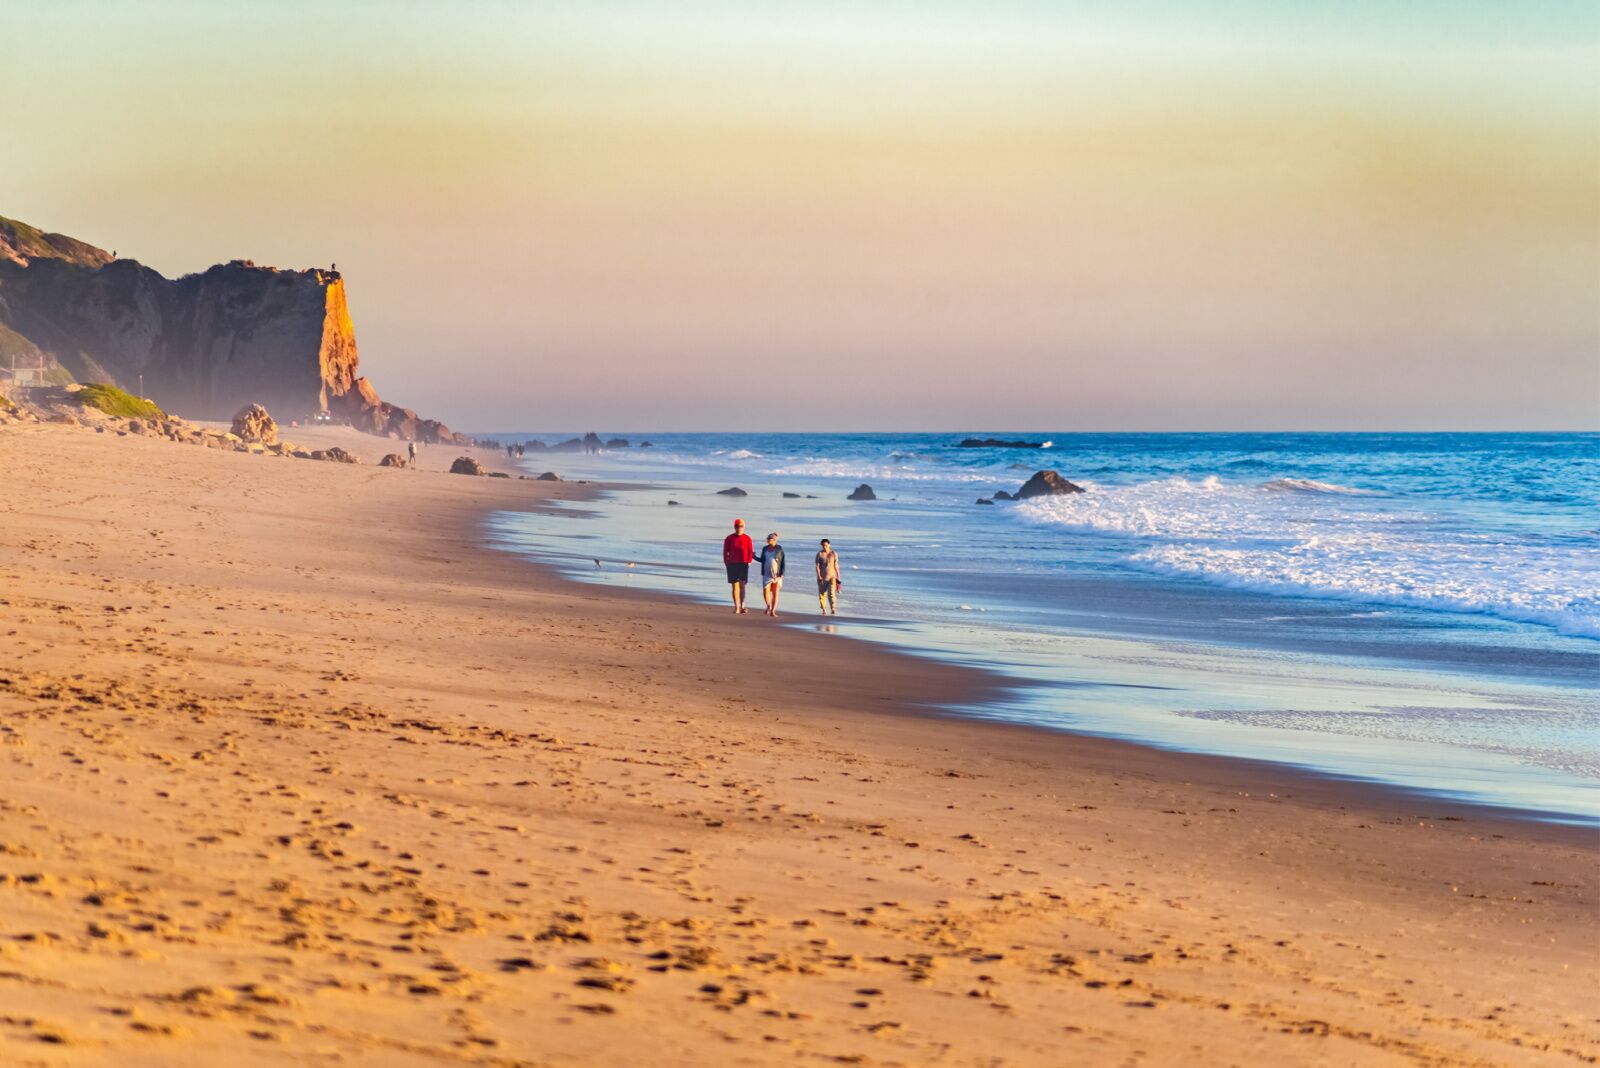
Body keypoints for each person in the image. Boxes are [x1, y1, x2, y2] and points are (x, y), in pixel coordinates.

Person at [722, 519, 754, 614]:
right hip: (732, 564)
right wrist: (726, 562)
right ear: (734, 527)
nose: (739, 528)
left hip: (743, 564)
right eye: (738, 526)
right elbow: (725, 551)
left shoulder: (747, 538)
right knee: (734, 586)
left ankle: (742, 605)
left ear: (744, 527)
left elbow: (750, 551)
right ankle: (736, 607)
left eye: (741, 526)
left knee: (742, 585)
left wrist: (749, 561)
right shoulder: (729, 538)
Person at [755, 532, 786, 616]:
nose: (768, 540)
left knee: (775, 593)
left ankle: (773, 611)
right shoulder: (764, 548)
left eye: (770, 538)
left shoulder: (779, 548)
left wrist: (782, 573)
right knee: (765, 592)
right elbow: (762, 560)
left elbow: (783, 561)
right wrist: (753, 557)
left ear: (774, 540)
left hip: (777, 575)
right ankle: (768, 606)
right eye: (767, 538)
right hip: (766, 574)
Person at [815, 538, 841, 615]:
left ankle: (833, 607)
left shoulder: (834, 554)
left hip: (832, 577)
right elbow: (817, 566)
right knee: (822, 594)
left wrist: (838, 576)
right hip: (822, 577)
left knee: (832, 593)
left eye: (826, 545)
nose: (824, 547)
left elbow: (836, 566)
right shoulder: (819, 554)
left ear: (829, 545)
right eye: (823, 545)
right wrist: (819, 576)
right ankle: (823, 609)